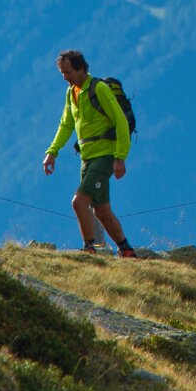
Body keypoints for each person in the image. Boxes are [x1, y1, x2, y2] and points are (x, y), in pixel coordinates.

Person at [42, 49, 136, 257]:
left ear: (81, 68)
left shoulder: (99, 88)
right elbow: (66, 124)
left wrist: (120, 157)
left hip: (105, 156)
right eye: (62, 73)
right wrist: (52, 152)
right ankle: (127, 250)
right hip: (87, 157)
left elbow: (120, 121)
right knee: (100, 210)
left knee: (79, 202)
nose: (65, 77)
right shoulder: (72, 92)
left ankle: (89, 249)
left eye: (68, 72)